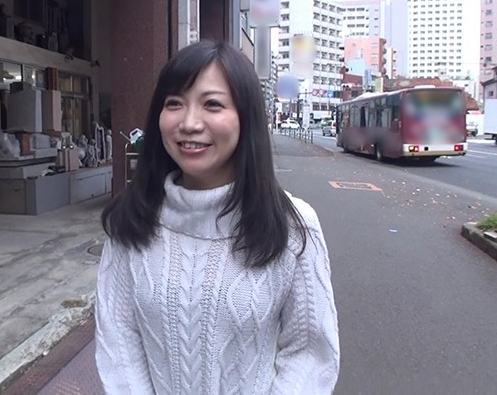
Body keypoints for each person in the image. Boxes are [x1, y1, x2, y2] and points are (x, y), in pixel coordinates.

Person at [95, 40, 339, 394]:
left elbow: (310, 354)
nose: (189, 123)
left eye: (212, 104)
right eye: (174, 103)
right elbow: (119, 342)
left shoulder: (292, 226)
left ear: (246, 118)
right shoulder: (131, 220)